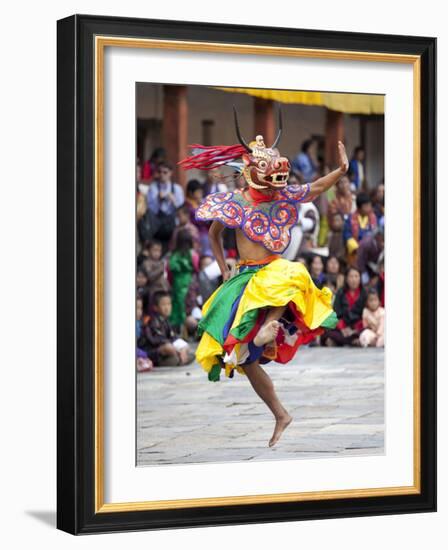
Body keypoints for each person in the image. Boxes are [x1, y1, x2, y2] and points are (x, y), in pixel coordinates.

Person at [178, 107, 348, 447]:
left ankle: (269, 327)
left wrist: (341, 171)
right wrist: (225, 268)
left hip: (272, 270)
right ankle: (280, 413)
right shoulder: (235, 202)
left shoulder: (281, 194)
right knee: (242, 359)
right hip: (245, 277)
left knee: (292, 274)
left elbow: (314, 187)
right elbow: (213, 234)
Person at [141, 291, 194, 366]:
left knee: (185, 346)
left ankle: (179, 358)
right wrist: (175, 348)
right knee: (169, 348)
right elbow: (157, 340)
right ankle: (178, 359)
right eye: (163, 305)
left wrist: (182, 348)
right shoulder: (153, 321)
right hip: (154, 351)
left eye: (169, 304)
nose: (167, 307)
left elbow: (173, 337)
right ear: (155, 307)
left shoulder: (166, 321)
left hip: (169, 349)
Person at [321, 267, 367, 347]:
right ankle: (352, 341)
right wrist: (343, 328)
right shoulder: (340, 292)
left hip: (358, 327)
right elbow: (336, 313)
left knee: (366, 332)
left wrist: (354, 329)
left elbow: (366, 314)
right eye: (351, 276)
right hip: (343, 327)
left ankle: (341, 341)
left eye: (356, 276)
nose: (354, 279)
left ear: (360, 278)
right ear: (346, 279)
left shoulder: (364, 293)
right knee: (328, 331)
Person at [167, 229, 200, 334]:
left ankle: (178, 332)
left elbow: (169, 271)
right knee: (188, 308)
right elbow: (196, 268)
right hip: (190, 283)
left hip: (177, 283)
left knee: (177, 307)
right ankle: (191, 331)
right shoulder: (193, 254)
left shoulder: (172, 255)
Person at [146, 161, 184, 250]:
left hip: (172, 226)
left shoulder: (177, 189)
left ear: (171, 173)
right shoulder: (153, 187)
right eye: (159, 172)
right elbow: (151, 209)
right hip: (157, 227)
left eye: (165, 172)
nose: (162, 174)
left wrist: (174, 201)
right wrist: (158, 200)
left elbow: (181, 209)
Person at [343, 192, 377, 258]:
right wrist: (358, 249)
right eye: (366, 206)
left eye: (369, 205)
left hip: (369, 253)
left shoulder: (373, 218)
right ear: (359, 207)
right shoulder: (350, 219)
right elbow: (347, 235)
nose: (369, 208)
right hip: (355, 252)